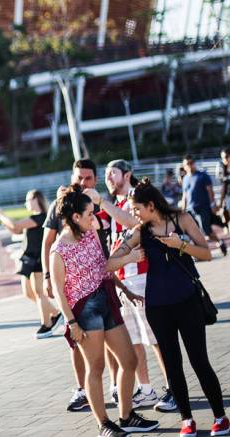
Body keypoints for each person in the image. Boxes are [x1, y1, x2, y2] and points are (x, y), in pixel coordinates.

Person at [107, 180, 230, 436]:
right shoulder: (140, 231)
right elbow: (109, 263)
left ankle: (220, 416)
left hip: (187, 301)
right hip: (158, 307)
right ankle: (187, 420)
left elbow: (206, 253)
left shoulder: (181, 219)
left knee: (199, 361)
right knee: (173, 366)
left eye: (136, 208)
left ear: (151, 205)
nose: (134, 214)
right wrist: (129, 256)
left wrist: (180, 245)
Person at [50, 185, 159, 436]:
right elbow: (57, 290)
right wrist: (71, 323)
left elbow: (103, 267)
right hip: (84, 311)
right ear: (75, 217)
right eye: (89, 214)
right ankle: (103, 424)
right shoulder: (59, 250)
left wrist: (125, 290)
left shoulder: (90, 234)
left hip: (106, 299)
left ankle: (126, 416)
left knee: (129, 360)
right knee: (96, 368)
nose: (93, 217)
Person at [95, 160, 176, 413]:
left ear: (127, 174)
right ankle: (146, 388)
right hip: (123, 278)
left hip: (141, 276)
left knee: (154, 337)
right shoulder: (114, 203)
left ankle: (173, 388)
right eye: (106, 173)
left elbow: (133, 223)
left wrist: (101, 202)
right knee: (134, 339)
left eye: (113, 172)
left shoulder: (135, 196)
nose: (108, 177)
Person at [43, 158, 114, 412]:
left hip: (106, 275)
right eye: (78, 177)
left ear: (95, 179)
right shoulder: (62, 204)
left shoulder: (100, 202)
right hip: (78, 288)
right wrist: (48, 276)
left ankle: (116, 386)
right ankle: (82, 390)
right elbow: (48, 241)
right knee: (80, 341)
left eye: (87, 178)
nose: (82, 182)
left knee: (113, 336)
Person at [0, 189, 62, 339]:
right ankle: (56, 314)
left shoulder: (40, 217)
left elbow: (16, 226)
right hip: (28, 260)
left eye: (28, 199)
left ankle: (47, 324)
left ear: (37, 199)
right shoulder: (33, 219)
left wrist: (0, 214)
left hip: (38, 260)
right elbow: (16, 231)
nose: (26, 203)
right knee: (28, 293)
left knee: (39, 293)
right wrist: (2, 219)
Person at [179, 155, 227, 256]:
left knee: (206, 231)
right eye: (187, 164)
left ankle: (219, 242)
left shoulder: (202, 175)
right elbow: (185, 196)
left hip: (203, 207)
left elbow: (210, 191)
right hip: (191, 210)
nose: (190, 165)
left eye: (191, 163)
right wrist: (182, 210)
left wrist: (213, 204)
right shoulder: (185, 179)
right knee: (192, 232)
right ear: (184, 166)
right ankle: (200, 252)